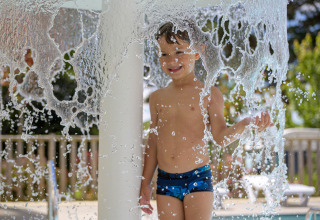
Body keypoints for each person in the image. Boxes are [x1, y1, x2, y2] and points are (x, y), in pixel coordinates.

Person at [139, 22, 273, 220]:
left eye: (178, 52)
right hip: (166, 180)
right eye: (164, 54)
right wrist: (145, 183)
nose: (171, 60)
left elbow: (220, 137)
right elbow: (153, 142)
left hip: (198, 178)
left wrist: (244, 124)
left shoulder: (209, 94)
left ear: (197, 52)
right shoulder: (157, 97)